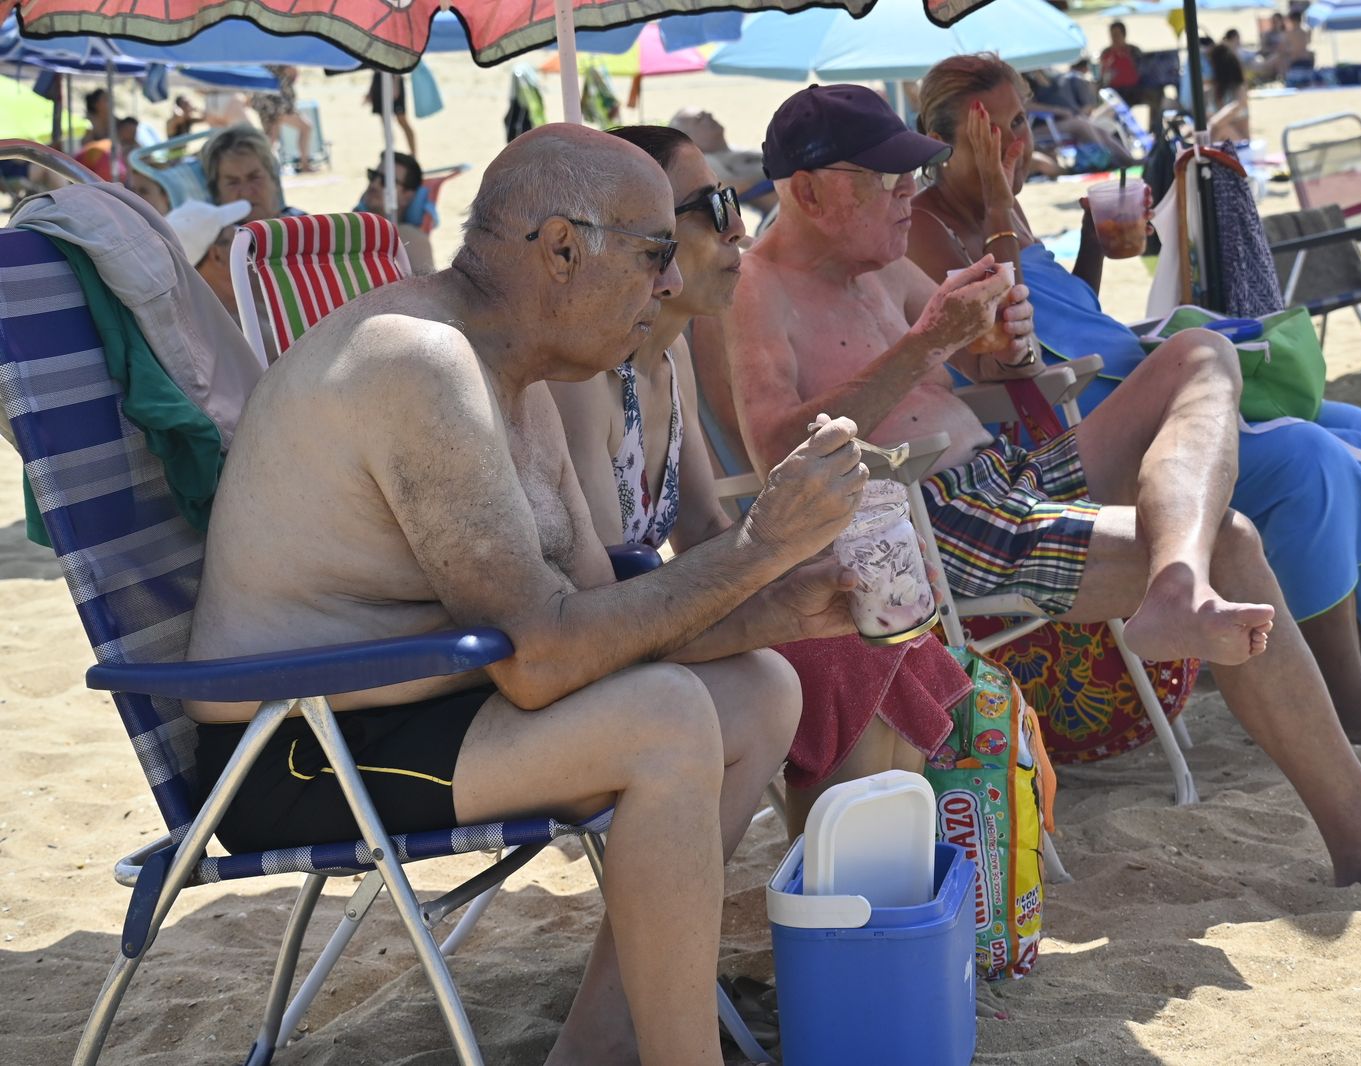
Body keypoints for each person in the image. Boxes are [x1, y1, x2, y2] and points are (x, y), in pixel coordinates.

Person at [722, 82, 1361, 886]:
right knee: (1236, 543)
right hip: (925, 522)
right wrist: (930, 343)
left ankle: (1175, 577)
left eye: (910, 178)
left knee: (1198, 355)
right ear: (809, 192)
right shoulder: (758, 291)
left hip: (1006, 475)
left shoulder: (880, 266)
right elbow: (778, 453)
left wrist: (1006, 353)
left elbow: (971, 368)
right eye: (889, 183)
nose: (910, 197)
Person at [186, 123, 871, 1066]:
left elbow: (600, 618)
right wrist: (759, 545)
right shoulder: (417, 363)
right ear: (560, 249)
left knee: (761, 689)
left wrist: (771, 605)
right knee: (665, 719)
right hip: (297, 747)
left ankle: (602, 1039)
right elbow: (549, 657)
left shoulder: (515, 377)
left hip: (425, 702)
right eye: (654, 253)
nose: (669, 285)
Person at [906, 53, 1361, 746]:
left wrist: (1087, 248)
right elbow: (1005, 349)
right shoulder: (927, 230)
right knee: (1307, 458)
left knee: (1356, 424)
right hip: (1075, 433)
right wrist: (997, 200)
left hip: (1132, 392)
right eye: (1000, 131)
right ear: (947, 143)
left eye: (1023, 120)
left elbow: (1074, 318)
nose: (1021, 143)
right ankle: (1347, 694)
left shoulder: (1008, 211)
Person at [549, 125, 972, 838]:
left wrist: (806, 561)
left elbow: (709, 534)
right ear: (640, 231)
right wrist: (776, 578)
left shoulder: (666, 360)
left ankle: (878, 900)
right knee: (840, 659)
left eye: (731, 199)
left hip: (653, 629)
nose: (739, 227)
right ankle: (841, 905)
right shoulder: (580, 382)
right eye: (712, 208)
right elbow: (600, 606)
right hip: (592, 653)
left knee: (874, 635)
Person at [669, 107, 777, 215]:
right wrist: (779, 168)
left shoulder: (731, 150)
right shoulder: (706, 162)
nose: (710, 115)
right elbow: (733, 186)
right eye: (700, 118)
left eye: (707, 113)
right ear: (688, 138)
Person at [165, 199, 251, 324]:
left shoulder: (192, 325)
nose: (248, 243)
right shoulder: (249, 327)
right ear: (217, 255)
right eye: (236, 236)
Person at [201, 125, 304, 222]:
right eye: (233, 183)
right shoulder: (212, 239)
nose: (246, 192)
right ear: (217, 193)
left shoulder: (304, 226)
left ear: (273, 180)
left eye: (255, 178)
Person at [355, 151, 436, 273]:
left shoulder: (410, 238)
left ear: (407, 195)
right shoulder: (350, 225)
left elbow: (427, 290)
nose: (374, 184)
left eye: (386, 181)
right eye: (373, 175)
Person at [250, 64, 316, 172]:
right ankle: (305, 165)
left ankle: (260, 167)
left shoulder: (262, 58)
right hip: (277, 101)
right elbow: (292, 72)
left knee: (271, 137)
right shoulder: (281, 57)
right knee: (305, 127)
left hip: (263, 99)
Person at [1098, 21, 1161, 132]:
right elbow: (1102, 77)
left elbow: (1145, 71)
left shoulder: (1133, 51)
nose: (1114, 38)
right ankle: (1118, 131)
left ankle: (1154, 129)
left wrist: (1129, 59)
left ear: (1124, 35)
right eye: (1112, 35)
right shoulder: (1106, 53)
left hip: (1135, 89)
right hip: (1115, 91)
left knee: (1156, 95)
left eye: (1117, 35)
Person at [367, 71, 418, 158]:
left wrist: (396, 83)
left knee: (402, 121)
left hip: (393, 78)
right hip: (379, 80)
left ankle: (413, 155)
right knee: (386, 124)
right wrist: (370, 90)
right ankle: (391, 154)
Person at [1207, 41, 1251, 141]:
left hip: (1241, 144)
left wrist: (1212, 123)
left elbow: (1234, 108)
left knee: (1221, 129)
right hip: (1220, 144)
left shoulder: (1239, 89)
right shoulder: (1213, 90)